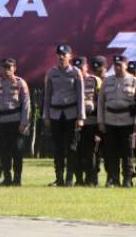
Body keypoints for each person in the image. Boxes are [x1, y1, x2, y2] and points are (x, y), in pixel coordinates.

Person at [98, 55, 136, 188]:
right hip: (110, 121)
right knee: (111, 152)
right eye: (116, 65)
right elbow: (101, 102)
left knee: (127, 153)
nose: (117, 68)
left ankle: (127, 179)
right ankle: (113, 178)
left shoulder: (135, 81)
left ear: (126, 66)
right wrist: (101, 121)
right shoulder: (107, 81)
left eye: (120, 65)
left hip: (127, 122)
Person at [44, 44, 85, 187]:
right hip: (55, 114)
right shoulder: (51, 73)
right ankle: (59, 178)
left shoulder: (75, 72)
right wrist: (46, 116)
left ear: (70, 56)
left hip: (71, 114)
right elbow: (47, 96)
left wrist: (81, 117)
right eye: (59, 54)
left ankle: (69, 178)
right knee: (57, 147)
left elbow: (81, 96)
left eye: (64, 54)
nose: (61, 57)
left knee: (72, 147)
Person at [0, 58, 30, 186]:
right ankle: (7, 177)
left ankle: (17, 179)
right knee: (3, 152)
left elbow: (26, 104)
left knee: (17, 151)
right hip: (2, 123)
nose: (6, 70)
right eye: (4, 67)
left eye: (9, 67)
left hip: (16, 122)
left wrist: (24, 123)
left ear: (14, 68)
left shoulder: (20, 83)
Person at [77, 56, 103, 187]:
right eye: (77, 68)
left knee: (92, 152)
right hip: (76, 123)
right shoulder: (72, 80)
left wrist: (100, 123)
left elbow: (100, 102)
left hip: (92, 122)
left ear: (86, 67)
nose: (79, 71)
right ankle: (79, 179)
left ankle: (92, 178)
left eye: (81, 68)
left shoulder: (95, 80)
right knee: (78, 152)